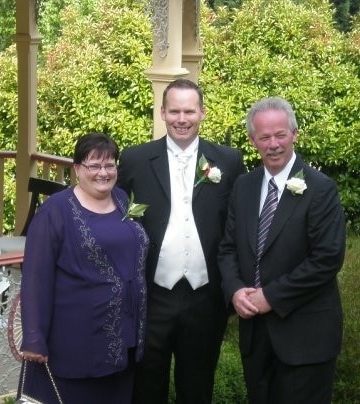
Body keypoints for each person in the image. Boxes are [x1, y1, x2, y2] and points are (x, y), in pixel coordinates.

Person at [117, 78, 246, 404]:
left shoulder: (228, 162)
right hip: (152, 295)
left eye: (189, 111)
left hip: (205, 298)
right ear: (162, 112)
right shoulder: (135, 159)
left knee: (197, 388)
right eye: (174, 110)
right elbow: (114, 217)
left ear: (202, 113)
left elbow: (238, 228)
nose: (182, 118)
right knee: (146, 386)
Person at [218, 97, 346, 404]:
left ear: (294, 134)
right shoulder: (244, 187)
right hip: (255, 334)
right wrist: (235, 291)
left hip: (305, 335)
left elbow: (327, 259)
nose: (273, 144)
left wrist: (270, 297)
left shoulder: (320, 188)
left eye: (280, 135)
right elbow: (228, 248)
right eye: (264, 137)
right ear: (253, 141)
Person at [18, 132, 149, 404]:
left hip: (123, 336)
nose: (103, 172)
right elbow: (35, 277)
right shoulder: (55, 211)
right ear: (77, 169)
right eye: (94, 166)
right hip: (76, 338)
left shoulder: (123, 199)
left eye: (110, 165)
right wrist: (33, 337)